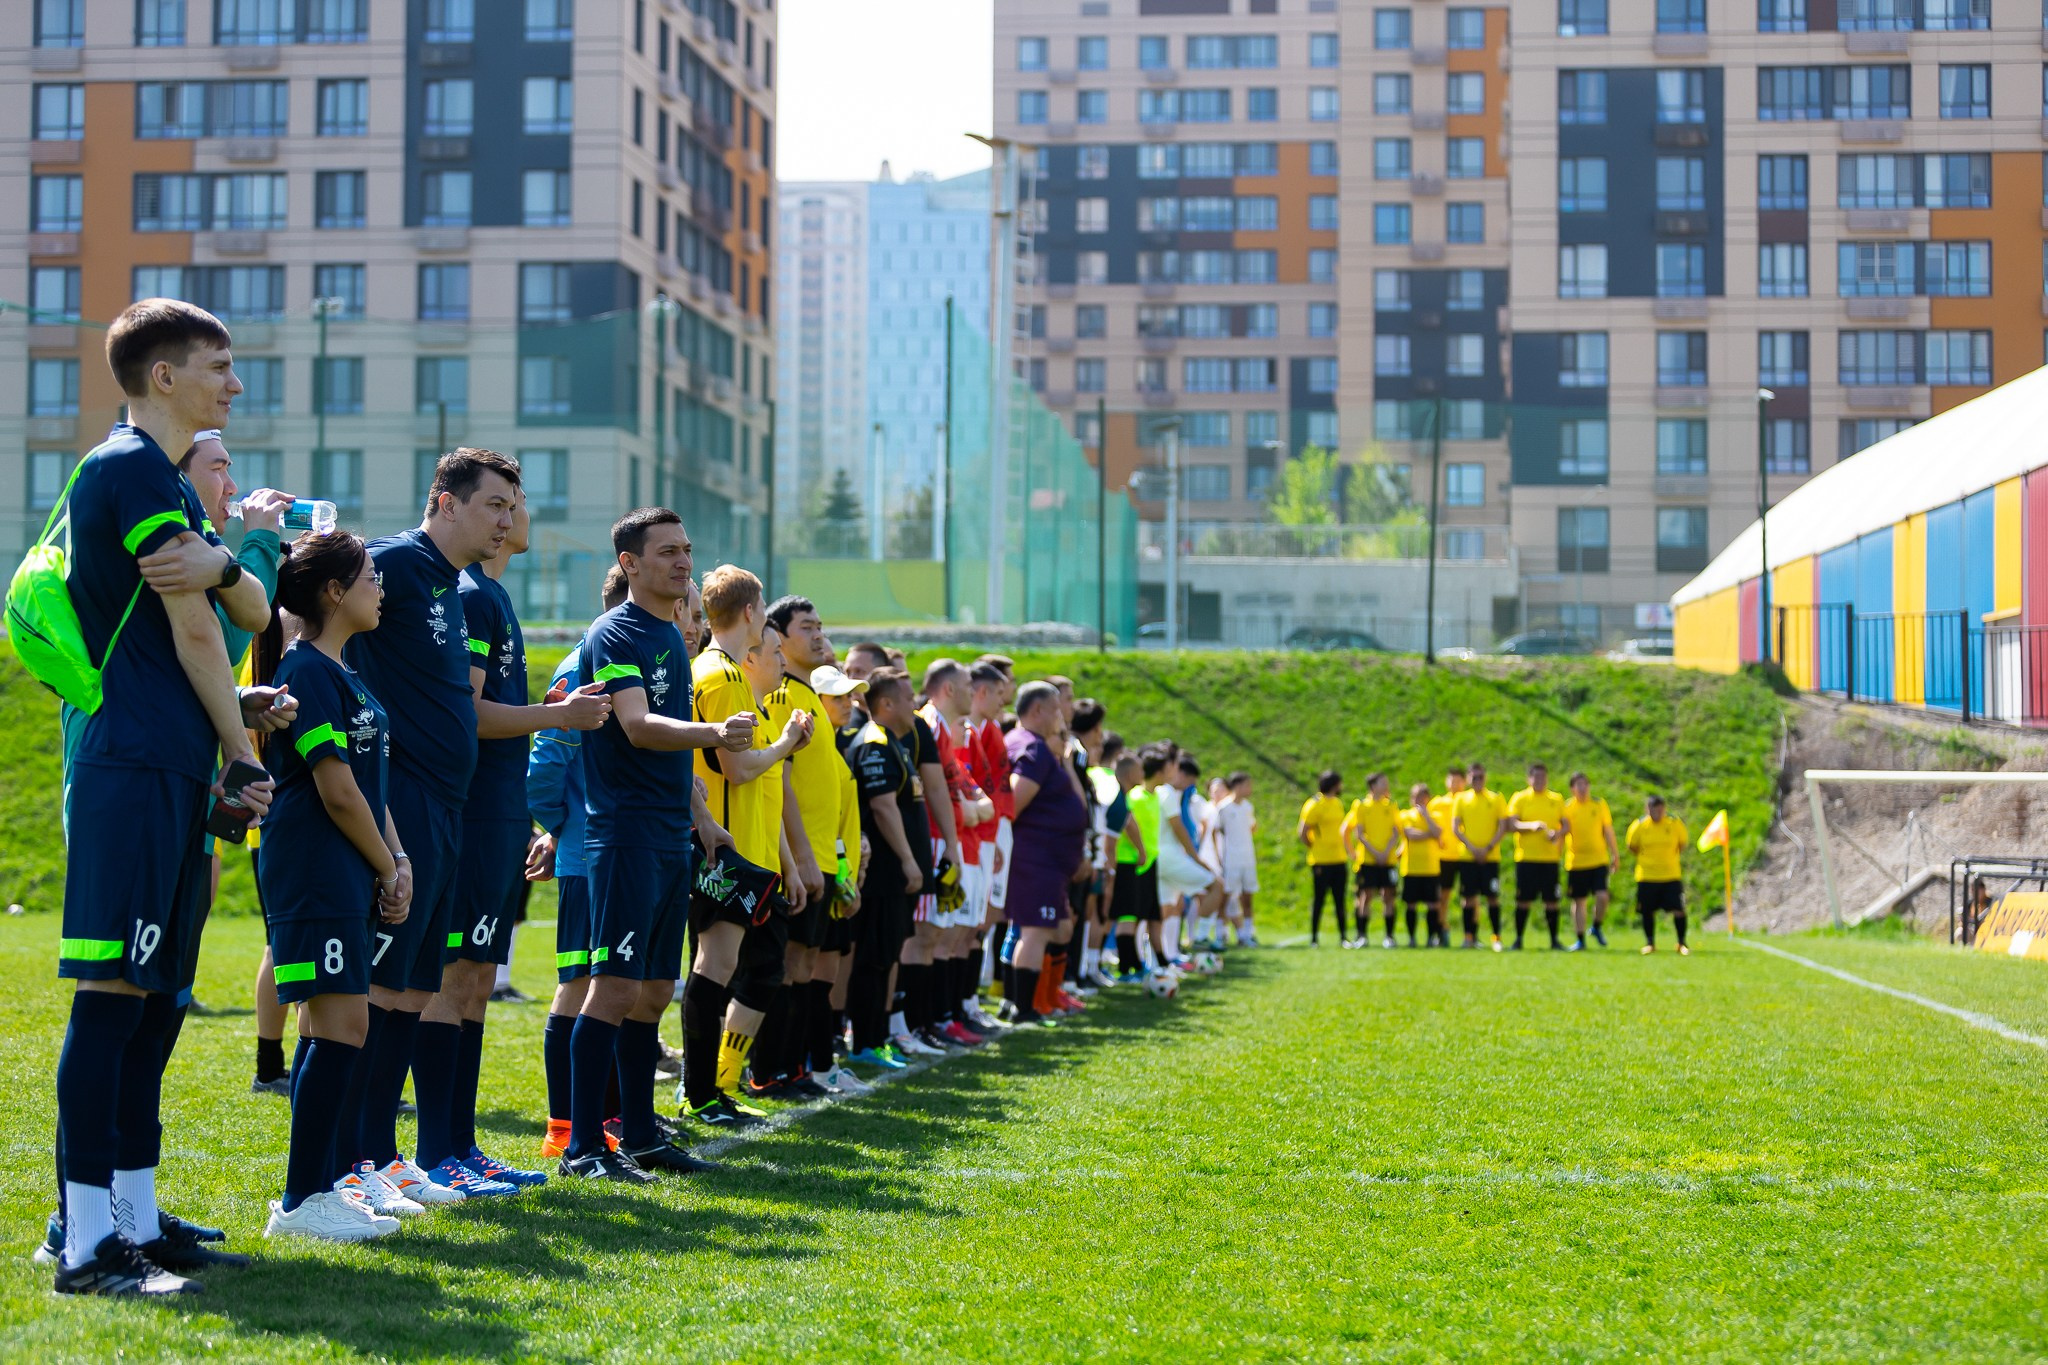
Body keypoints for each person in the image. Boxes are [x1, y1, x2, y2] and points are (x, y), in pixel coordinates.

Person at [51, 299, 278, 1295]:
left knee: (153, 1003)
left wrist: (226, 561)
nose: (234, 382)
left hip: (168, 765)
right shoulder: (131, 467)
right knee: (112, 998)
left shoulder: (171, 482)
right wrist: (241, 751)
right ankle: (83, 1243)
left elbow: (250, 607)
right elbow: (196, 628)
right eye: (218, 366)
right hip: (134, 763)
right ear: (163, 376)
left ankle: (134, 1219)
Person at [564, 509, 744, 1179]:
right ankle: (583, 1145)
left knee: (654, 989)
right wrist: (715, 733)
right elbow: (638, 726)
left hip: (668, 835)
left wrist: (700, 819)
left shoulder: (670, 633)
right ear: (630, 563)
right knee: (613, 988)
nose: (683, 561)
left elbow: (666, 742)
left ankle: (641, 1135)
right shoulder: (614, 632)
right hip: (626, 834)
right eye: (667, 551)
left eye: (686, 549)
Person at [420, 481, 580, 1194]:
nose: (513, 517)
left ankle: (462, 1144)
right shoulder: (473, 595)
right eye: (500, 504)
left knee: (479, 980)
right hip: (472, 812)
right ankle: (437, 1150)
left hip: (499, 814)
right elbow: (470, 712)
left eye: (516, 504)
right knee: (453, 976)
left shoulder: (494, 594)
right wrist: (557, 717)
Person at [251, 532, 410, 1241]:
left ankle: (324, 1186)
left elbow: (369, 789)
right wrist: (387, 866)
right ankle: (301, 1200)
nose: (382, 588)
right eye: (372, 577)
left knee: (335, 1024)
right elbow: (337, 790)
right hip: (315, 867)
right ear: (334, 591)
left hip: (347, 866)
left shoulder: (341, 671)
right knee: (344, 1024)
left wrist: (397, 859)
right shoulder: (307, 671)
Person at [679, 566, 811, 1130]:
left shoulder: (727, 673)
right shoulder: (721, 673)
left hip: (745, 850)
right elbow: (737, 769)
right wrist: (785, 744)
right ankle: (700, 1093)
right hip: (724, 852)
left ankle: (709, 1089)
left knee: (725, 968)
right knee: (714, 968)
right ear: (752, 612)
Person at [529, 566, 629, 1159]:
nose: (687, 623)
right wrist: (563, 827)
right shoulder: (581, 667)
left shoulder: (637, 663)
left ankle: (610, 1117)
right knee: (580, 984)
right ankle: (564, 1127)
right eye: (683, 611)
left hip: (624, 852)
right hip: (588, 856)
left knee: (615, 984)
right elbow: (543, 770)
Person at [845, 669, 927, 1066]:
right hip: (881, 872)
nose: (915, 705)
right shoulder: (875, 743)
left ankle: (877, 1039)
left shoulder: (894, 742)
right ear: (887, 704)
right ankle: (866, 1042)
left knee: (886, 954)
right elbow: (882, 806)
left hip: (893, 874)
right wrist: (909, 860)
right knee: (874, 957)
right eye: (909, 698)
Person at [1002, 682, 1090, 1027]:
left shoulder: (1039, 748)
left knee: (1055, 928)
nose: (1062, 716)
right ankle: (1023, 1008)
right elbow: (1013, 803)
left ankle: (1033, 1000)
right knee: (1036, 931)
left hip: (1048, 861)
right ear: (1037, 710)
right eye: (1055, 709)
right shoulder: (1032, 749)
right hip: (1034, 858)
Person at [1506, 763, 1568, 951]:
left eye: (1543, 777)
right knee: (1523, 900)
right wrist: (1531, 826)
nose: (1540, 780)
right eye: (1536, 777)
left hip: (1549, 859)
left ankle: (1554, 940)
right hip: (1526, 859)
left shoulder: (1556, 799)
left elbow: (1566, 825)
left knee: (1552, 901)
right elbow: (1511, 824)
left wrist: (1557, 834)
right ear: (1529, 779)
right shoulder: (1520, 798)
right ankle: (1518, 939)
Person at [1453, 762, 1510, 953]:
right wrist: (1472, 848)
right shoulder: (1461, 799)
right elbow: (1456, 828)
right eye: (1474, 777)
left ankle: (1496, 938)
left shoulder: (1495, 799)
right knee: (1468, 898)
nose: (1477, 780)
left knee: (1492, 897)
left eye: (1481, 777)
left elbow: (1502, 826)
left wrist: (1488, 848)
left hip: (1490, 857)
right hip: (1468, 857)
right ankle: (1469, 937)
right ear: (1468, 779)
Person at [1342, 773, 1401, 949]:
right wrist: (1375, 853)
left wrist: (1386, 852)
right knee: (1365, 896)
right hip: (1368, 860)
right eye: (1383, 783)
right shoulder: (1361, 806)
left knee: (1388, 896)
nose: (1386, 786)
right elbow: (1359, 834)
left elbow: (1396, 832)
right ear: (1373, 786)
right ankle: (1362, 936)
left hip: (1387, 860)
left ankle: (1389, 936)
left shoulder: (1391, 806)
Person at [1561, 772, 1618, 950]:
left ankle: (1596, 926)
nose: (1583, 788)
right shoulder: (1567, 808)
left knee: (1602, 896)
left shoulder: (1599, 804)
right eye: (1579, 785)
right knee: (1579, 901)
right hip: (1576, 862)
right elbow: (1562, 832)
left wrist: (1615, 854)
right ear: (1572, 788)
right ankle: (1580, 940)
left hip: (1598, 860)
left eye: (1585, 784)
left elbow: (1608, 830)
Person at [1627, 796, 1690, 955]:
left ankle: (1681, 943)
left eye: (1660, 809)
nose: (1657, 812)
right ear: (1647, 809)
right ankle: (1650, 943)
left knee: (1679, 909)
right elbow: (1632, 846)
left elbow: (1682, 843)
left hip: (1671, 875)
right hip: (1647, 875)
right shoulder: (1639, 825)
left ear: (1664, 809)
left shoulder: (1674, 823)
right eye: (1653, 809)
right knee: (1647, 911)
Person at [1298, 771, 1348, 946]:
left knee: (1340, 900)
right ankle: (1314, 938)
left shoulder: (1337, 803)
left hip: (1339, 859)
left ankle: (1343, 937)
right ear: (1333, 784)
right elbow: (1303, 832)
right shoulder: (1314, 804)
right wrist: (1315, 847)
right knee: (1319, 900)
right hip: (1321, 861)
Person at [1214, 772, 1259, 947]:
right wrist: (1219, 856)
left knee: (1247, 896)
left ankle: (1247, 933)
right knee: (1225, 897)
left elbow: (1252, 827)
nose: (1250, 789)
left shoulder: (1247, 807)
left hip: (1247, 857)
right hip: (1230, 859)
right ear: (1238, 786)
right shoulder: (1223, 808)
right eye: (1247, 785)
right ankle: (1221, 934)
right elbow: (1216, 831)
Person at [1398, 784, 1444, 947]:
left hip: (1430, 868)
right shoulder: (1405, 815)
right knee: (1411, 904)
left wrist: (1426, 817)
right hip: (1411, 867)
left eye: (1422, 797)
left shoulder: (1435, 815)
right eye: (1415, 796)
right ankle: (1412, 938)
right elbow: (1410, 834)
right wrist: (1429, 834)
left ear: (1428, 799)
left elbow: (1438, 833)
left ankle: (1431, 937)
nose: (1418, 800)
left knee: (1433, 904)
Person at [1433, 766, 1470, 946]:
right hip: (1444, 856)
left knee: (1469, 896)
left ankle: (1470, 934)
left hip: (1466, 855)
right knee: (1443, 895)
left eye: (1458, 780)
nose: (1454, 783)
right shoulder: (1437, 803)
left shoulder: (1469, 801)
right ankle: (1441, 929)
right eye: (1451, 780)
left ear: (1465, 782)